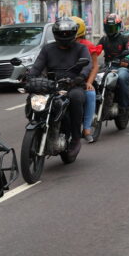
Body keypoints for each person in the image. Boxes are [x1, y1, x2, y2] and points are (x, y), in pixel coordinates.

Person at [27, 18, 91, 157]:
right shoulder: (48, 49)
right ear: (55, 34)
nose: (64, 36)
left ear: (74, 33)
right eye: (61, 33)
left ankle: (75, 138)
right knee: (34, 97)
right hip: (51, 86)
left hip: (73, 85)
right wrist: (30, 77)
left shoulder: (81, 48)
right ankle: (38, 125)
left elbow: (87, 65)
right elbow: (37, 66)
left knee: (76, 97)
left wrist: (81, 77)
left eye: (67, 33)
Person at [70, 16, 102, 143]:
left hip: (85, 80)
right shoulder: (63, 45)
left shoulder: (88, 46)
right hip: (68, 80)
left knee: (90, 93)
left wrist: (89, 82)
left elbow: (94, 66)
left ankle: (87, 129)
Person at [97, 14, 129, 115]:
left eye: (113, 27)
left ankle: (124, 106)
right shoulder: (103, 39)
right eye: (108, 28)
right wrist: (89, 56)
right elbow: (96, 51)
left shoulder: (125, 38)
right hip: (107, 67)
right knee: (95, 79)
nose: (110, 30)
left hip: (121, 67)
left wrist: (126, 59)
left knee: (121, 78)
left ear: (118, 26)